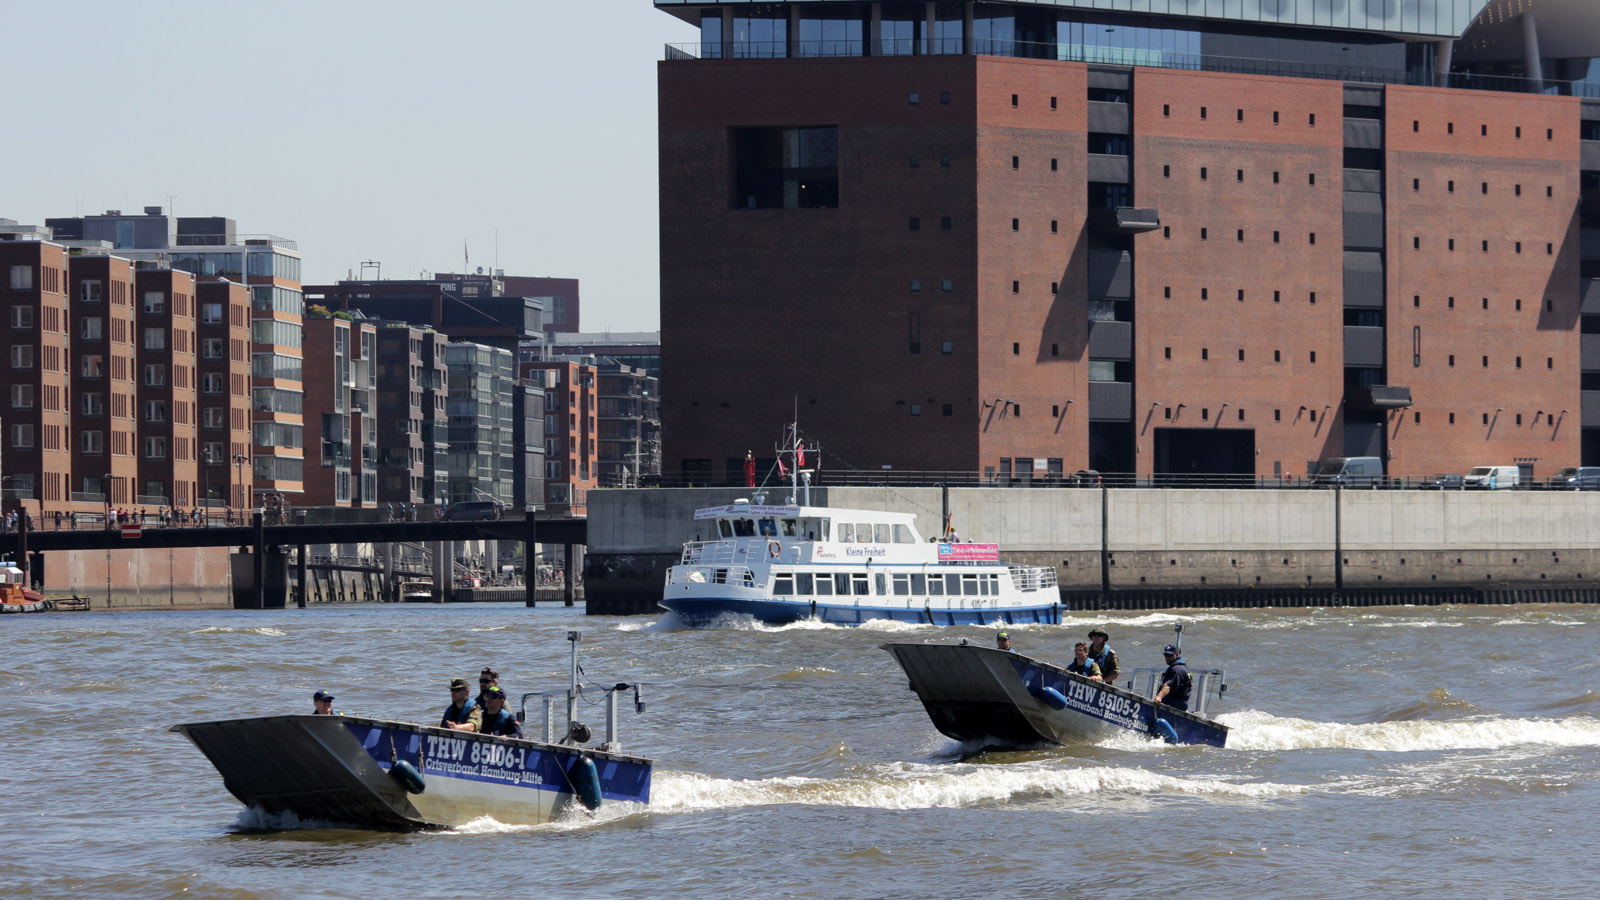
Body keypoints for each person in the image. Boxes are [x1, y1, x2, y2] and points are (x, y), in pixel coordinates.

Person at [1152, 644, 1192, 711]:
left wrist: (1159, 697)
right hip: (1182, 703)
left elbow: (1168, 686)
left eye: (1170, 655)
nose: (1167, 657)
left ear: (1176, 654)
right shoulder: (1184, 668)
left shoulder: (1176, 669)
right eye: (1165, 655)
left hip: (1174, 704)